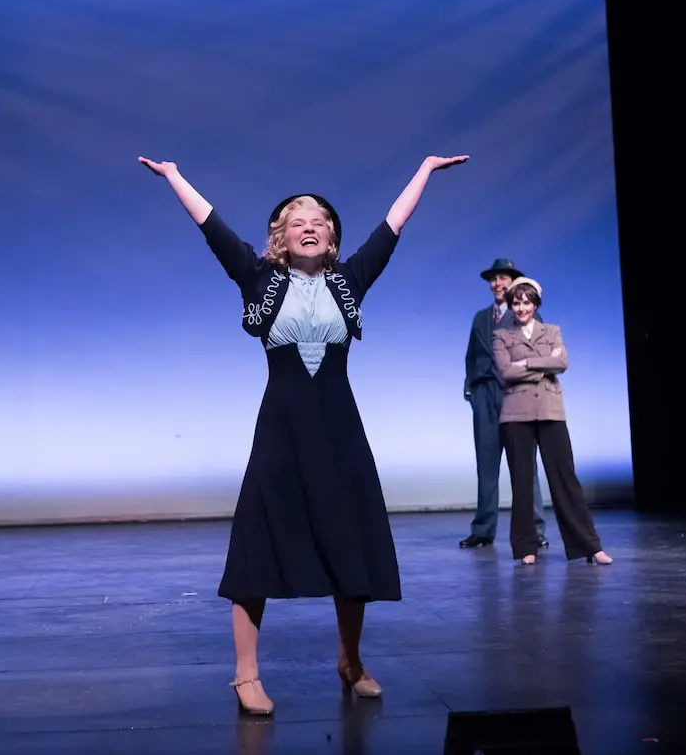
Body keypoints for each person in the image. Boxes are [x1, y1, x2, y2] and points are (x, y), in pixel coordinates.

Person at [138, 153, 468, 715]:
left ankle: (351, 659)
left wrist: (425, 170)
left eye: (319, 221)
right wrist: (174, 177)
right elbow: (212, 226)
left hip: (340, 430)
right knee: (256, 547)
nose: (310, 225)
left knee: (350, 541)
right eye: (297, 221)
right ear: (280, 239)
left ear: (332, 239)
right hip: (282, 429)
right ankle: (245, 674)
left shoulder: (348, 280)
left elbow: (392, 226)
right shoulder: (259, 278)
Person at [492, 278, 613, 566]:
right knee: (522, 482)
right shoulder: (501, 336)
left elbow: (562, 363)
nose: (522, 308)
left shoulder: (552, 331)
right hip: (516, 414)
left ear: (536, 304)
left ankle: (589, 546)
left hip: (550, 410)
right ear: (511, 305)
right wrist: (544, 362)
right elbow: (506, 371)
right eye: (517, 302)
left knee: (565, 479)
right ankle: (525, 548)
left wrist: (528, 364)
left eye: (527, 302)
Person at [461, 257, 548, 550]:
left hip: (514, 394)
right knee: (486, 465)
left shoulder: (526, 317)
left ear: (514, 283)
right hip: (485, 396)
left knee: (523, 465)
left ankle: (535, 529)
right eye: (494, 279)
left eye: (504, 278)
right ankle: (483, 530)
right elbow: (472, 356)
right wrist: (471, 389)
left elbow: (539, 355)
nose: (498, 283)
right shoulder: (479, 318)